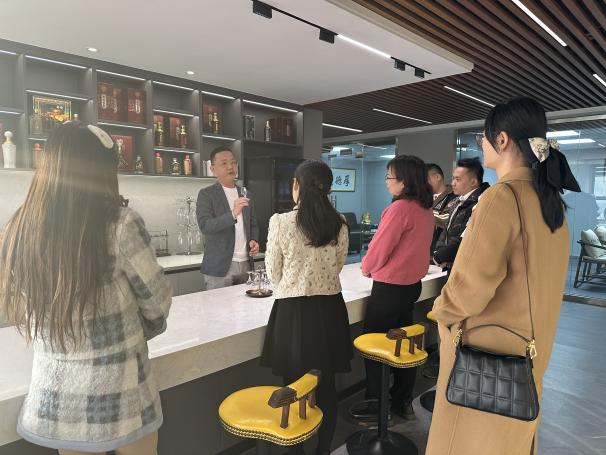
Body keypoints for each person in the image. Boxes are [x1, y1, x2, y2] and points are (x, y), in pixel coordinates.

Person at [0, 122, 172, 455]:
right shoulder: (120, 224)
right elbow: (157, 304)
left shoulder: (18, 228)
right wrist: (126, 336)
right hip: (122, 396)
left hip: (57, 400)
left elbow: (20, 308)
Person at [426, 97, 580, 455]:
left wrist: (441, 314)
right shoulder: (550, 203)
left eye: (484, 136)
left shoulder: (501, 197)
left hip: (486, 356)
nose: (481, 143)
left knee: (466, 442)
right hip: (528, 354)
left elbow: (469, 287)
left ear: (503, 140)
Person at [261, 160, 351, 455]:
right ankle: (323, 449)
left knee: (294, 386)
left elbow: (273, 273)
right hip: (330, 310)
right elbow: (337, 266)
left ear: (296, 186)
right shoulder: (339, 222)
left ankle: (295, 451)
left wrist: (295, 281)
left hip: (293, 312)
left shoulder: (280, 222)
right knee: (326, 386)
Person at [359, 155, 434, 420]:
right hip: (411, 287)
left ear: (404, 181)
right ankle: (401, 401)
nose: (386, 182)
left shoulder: (400, 208)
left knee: (375, 346)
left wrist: (367, 267)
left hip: (389, 289)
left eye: (389, 176)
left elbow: (380, 248)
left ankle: (376, 404)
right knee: (403, 344)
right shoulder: (425, 209)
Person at [196, 147, 259, 290]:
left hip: (246, 264)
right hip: (219, 266)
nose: (230, 166)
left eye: (233, 162)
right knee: (219, 305)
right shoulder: (206, 194)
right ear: (213, 169)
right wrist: (233, 213)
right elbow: (205, 226)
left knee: (245, 305)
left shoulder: (245, 192)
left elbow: (253, 224)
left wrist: (254, 240)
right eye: (224, 163)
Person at [432, 158, 490, 268]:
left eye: (457, 179)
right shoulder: (457, 200)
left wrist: (440, 256)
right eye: (453, 178)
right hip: (450, 263)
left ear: (473, 182)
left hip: (466, 266)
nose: (452, 183)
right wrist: (439, 252)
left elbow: (466, 239)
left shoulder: (482, 202)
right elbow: (446, 229)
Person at [427, 163, 456, 252]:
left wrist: (422, 213)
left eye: (425, 179)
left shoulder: (453, 196)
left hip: (440, 250)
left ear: (437, 177)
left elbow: (447, 219)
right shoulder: (424, 197)